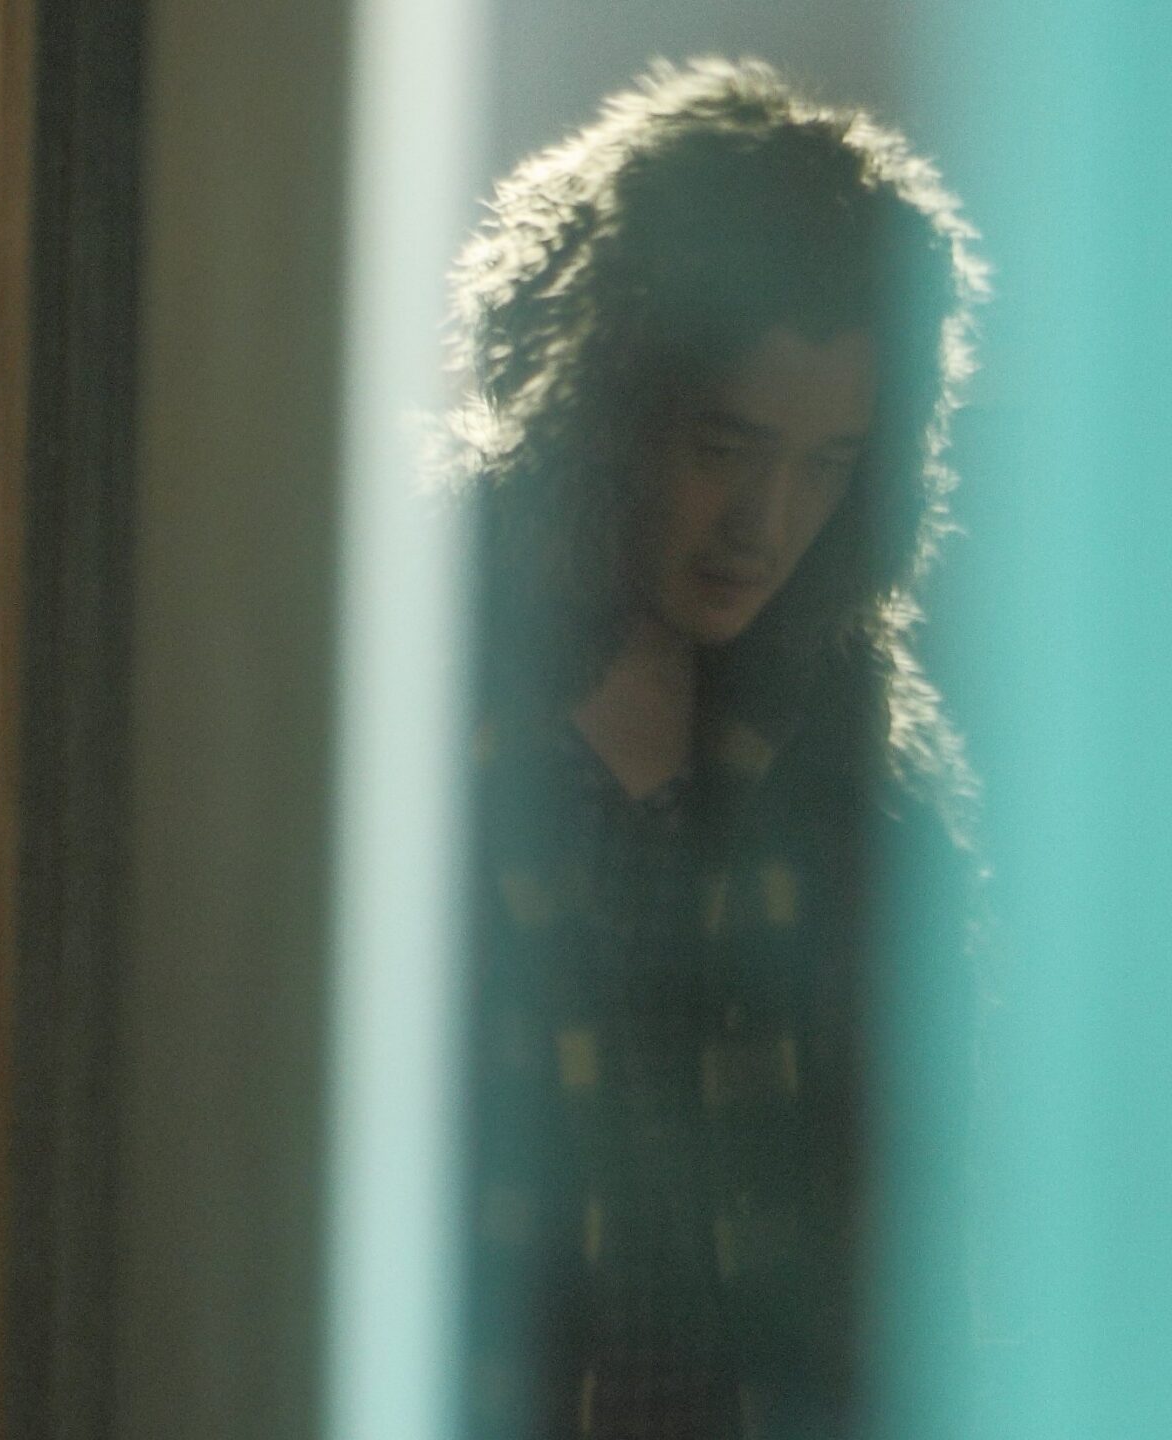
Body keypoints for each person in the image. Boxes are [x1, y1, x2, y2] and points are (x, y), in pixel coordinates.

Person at [442, 59, 986, 1438]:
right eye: (725, 446)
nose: (766, 520)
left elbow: (919, 1199)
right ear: (602, 400)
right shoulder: (424, 700)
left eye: (826, 464)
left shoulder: (852, 761)